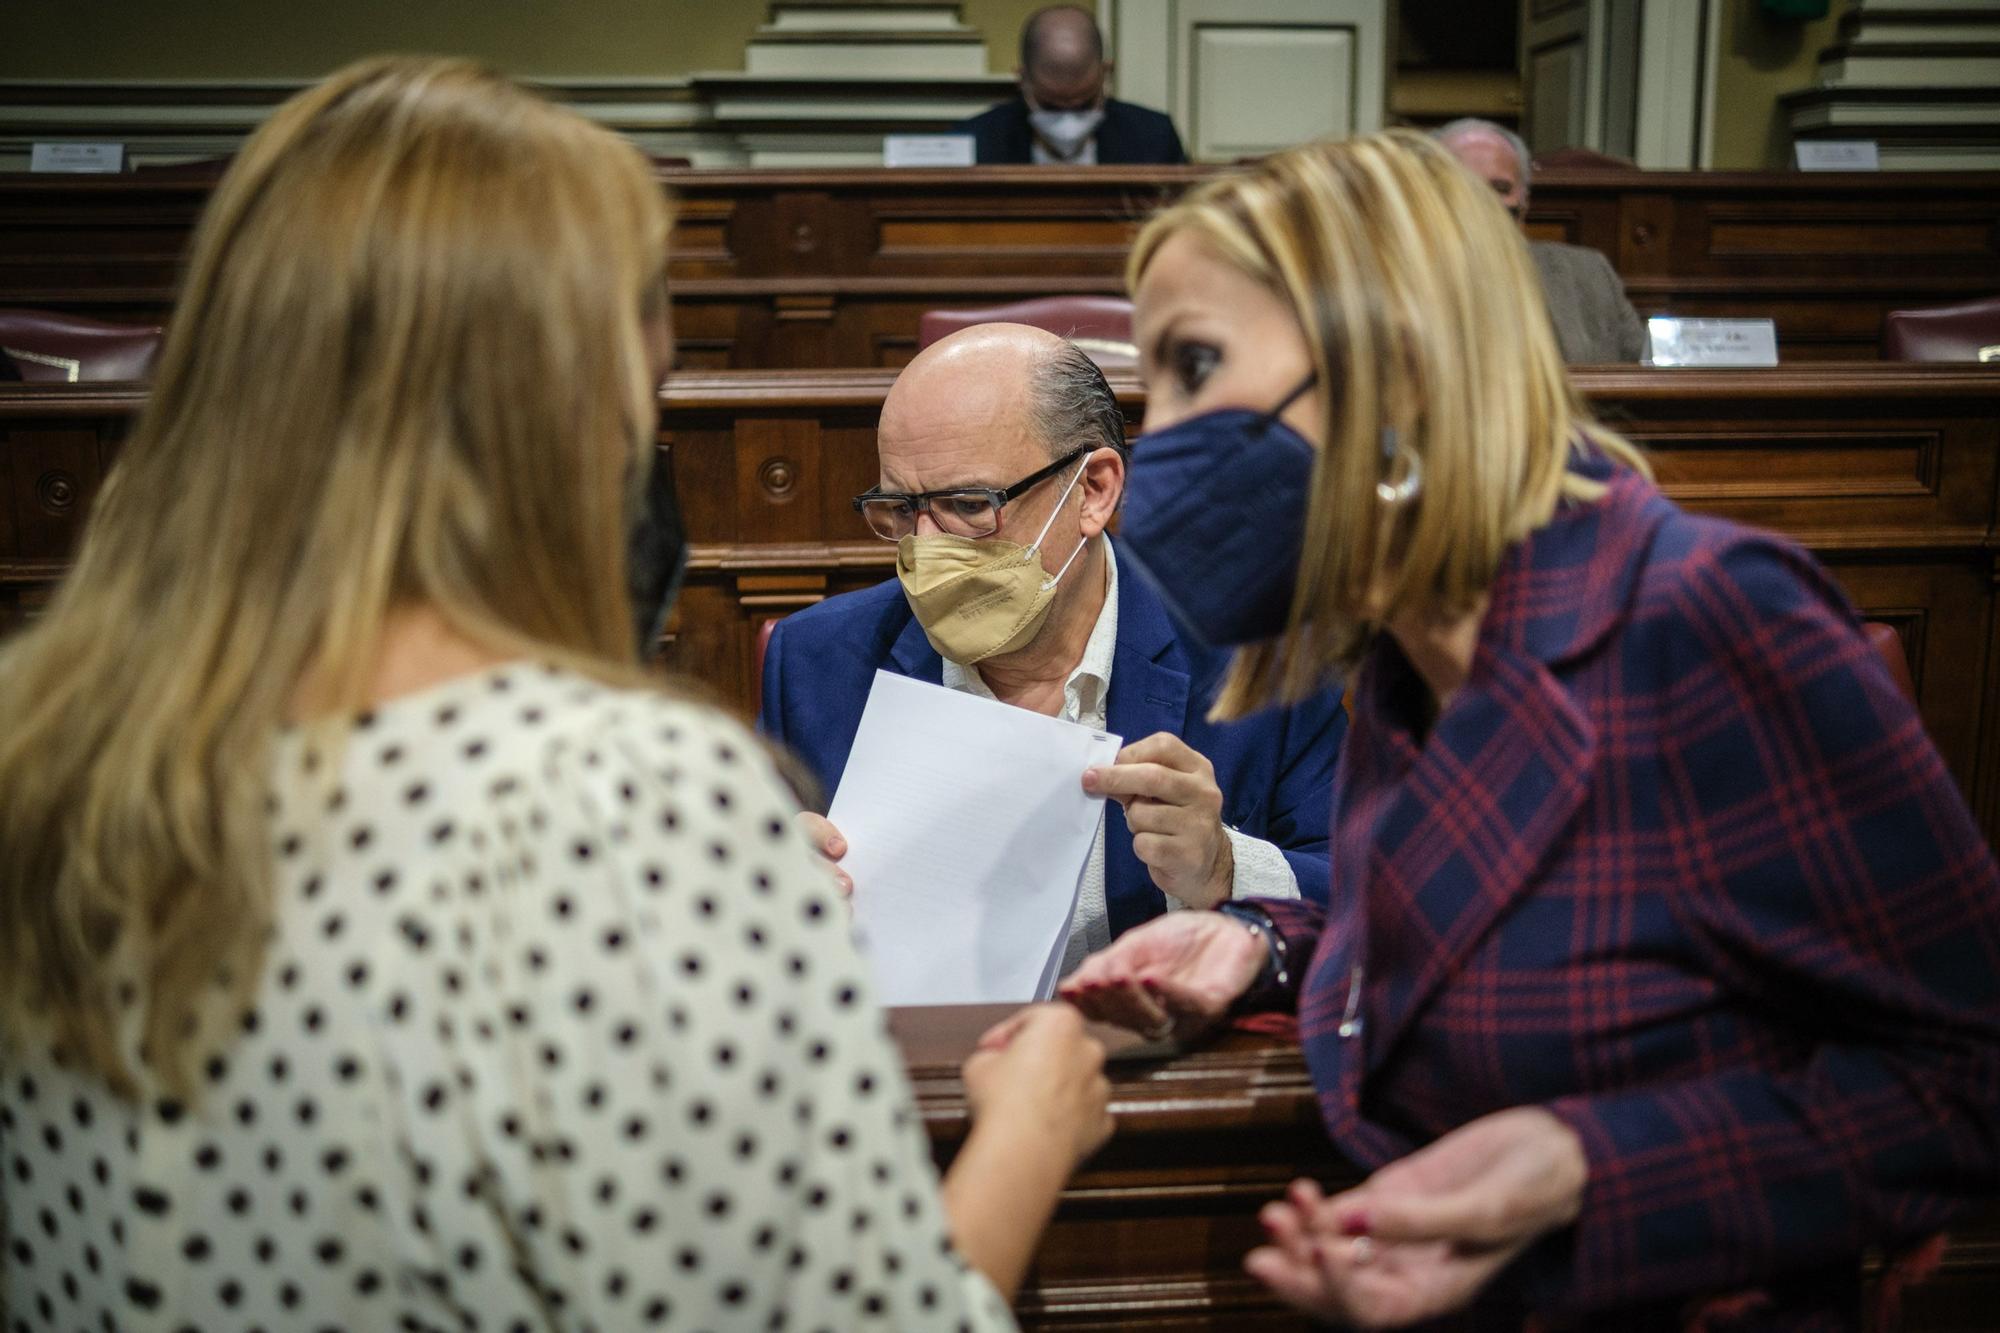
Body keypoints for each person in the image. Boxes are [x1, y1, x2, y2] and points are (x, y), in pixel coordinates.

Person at [0, 57, 1112, 1330]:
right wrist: (1027, 1133)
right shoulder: (615, 803)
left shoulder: (42, 730)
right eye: (641, 400)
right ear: (559, 419)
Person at [1063, 129, 2000, 1328]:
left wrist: (1581, 1165)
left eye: (1196, 363)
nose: (1166, 438)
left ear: (1397, 365)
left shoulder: (1705, 616)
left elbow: (1962, 1078)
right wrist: (1260, 944)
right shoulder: (1408, 655)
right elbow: (1478, 937)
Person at [759, 324, 1343, 975]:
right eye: (899, 508)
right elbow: (751, 939)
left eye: (967, 504)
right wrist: (771, 906)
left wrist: (1226, 869)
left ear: (1094, 490)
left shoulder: (1256, 655)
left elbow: (1361, 901)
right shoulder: (816, 663)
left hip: (1157, 1066)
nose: (925, 546)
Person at [1436, 118, 1647, 364]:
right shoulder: (1399, 280)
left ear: (1524, 204)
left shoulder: (1589, 274)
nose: (1485, 202)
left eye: (1501, 188)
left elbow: (1648, 375)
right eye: (1466, 186)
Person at [958, 5, 1186, 166]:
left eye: (1084, 104)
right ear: (1022, 79)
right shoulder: (978, 141)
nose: (1068, 120)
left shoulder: (1154, 137)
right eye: (1051, 106)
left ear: (1105, 73)